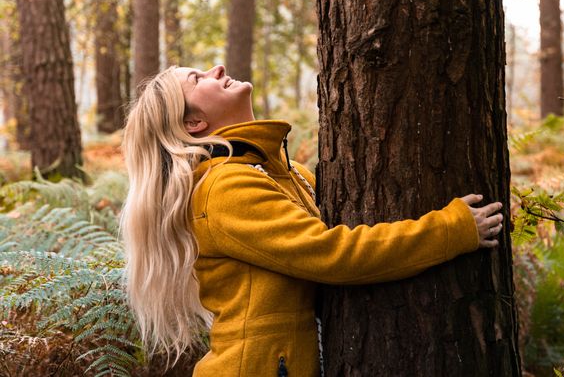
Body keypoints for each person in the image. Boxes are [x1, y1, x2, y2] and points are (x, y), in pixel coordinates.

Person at [120, 65, 503, 377]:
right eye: (197, 79)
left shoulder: (283, 172)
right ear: (194, 123)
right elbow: (332, 253)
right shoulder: (224, 187)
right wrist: (449, 230)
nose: (217, 69)